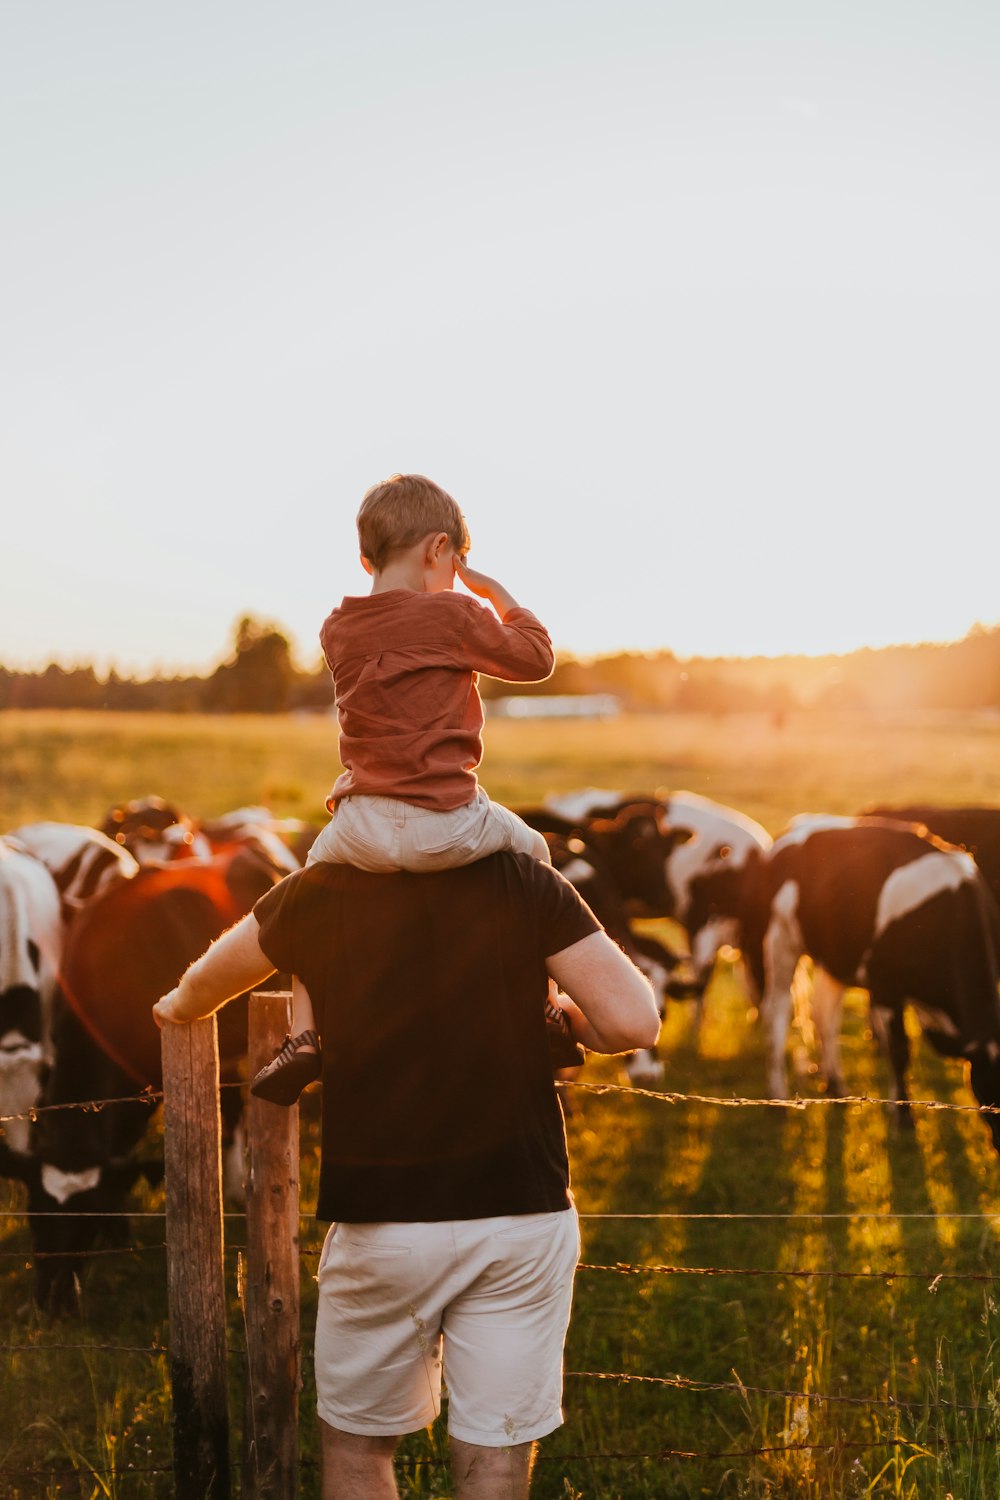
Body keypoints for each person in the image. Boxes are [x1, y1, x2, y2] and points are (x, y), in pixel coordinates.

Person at [153, 850, 660, 1500]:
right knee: (496, 1449)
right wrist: (563, 1016)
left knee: (359, 1449)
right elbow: (633, 1022)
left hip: (383, 1215)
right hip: (521, 1212)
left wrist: (176, 1006)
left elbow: (209, 982)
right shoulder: (525, 877)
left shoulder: (320, 887)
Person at [251, 472, 570, 1105]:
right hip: (448, 819)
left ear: (365, 557)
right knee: (535, 853)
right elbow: (536, 658)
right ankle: (546, 1009)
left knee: (309, 898)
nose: (456, 578)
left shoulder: (335, 628)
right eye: (455, 564)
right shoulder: (454, 613)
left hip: (359, 824)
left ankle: (305, 1035)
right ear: (437, 549)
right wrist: (491, 592)